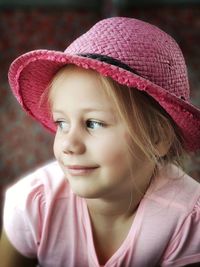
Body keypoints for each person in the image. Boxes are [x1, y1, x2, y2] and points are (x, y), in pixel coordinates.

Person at [0, 17, 200, 267]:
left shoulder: (187, 218)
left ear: (157, 137)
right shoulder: (35, 201)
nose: (69, 145)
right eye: (62, 123)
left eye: (93, 123)